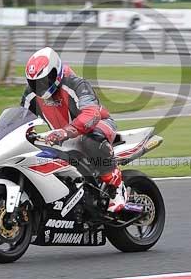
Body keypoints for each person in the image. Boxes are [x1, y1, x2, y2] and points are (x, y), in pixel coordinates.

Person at [20, 47, 126, 213]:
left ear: (56, 71)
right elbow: (22, 119)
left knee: (90, 140)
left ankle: (116, 187)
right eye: (35, 83)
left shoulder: (75, 84)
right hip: (62, 138)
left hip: (98, 125)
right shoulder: (30, 95)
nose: (40, 87)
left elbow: (92, 114)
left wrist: (66, 131)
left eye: (45, 80)